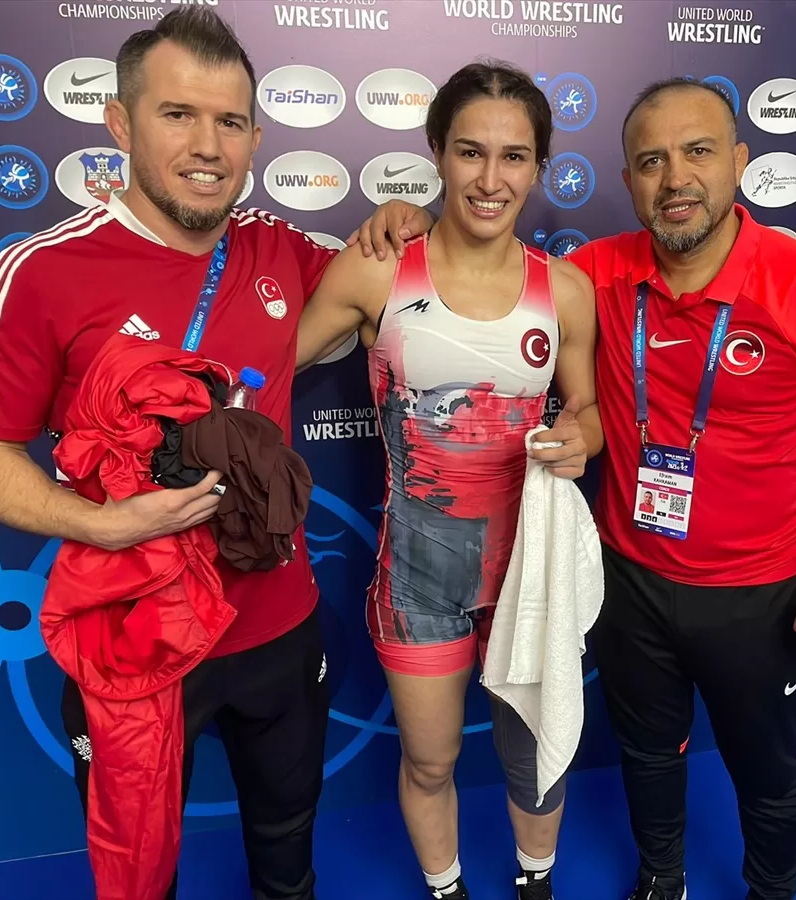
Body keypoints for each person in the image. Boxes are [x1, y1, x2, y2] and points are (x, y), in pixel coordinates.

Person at [353, 76, 796, 900]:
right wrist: (412, 220)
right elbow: (483, 262)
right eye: (651, 161)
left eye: (697, 152)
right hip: (631, 579)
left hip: (756, 590)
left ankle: (770, 892)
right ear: (629, 180)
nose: (675, 178)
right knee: (647, 754)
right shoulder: (592, 275)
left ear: (740, 162)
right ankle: (660, 881)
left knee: (766, 768)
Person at [0, 9, 428, 899]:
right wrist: (105, 523)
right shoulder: (39, 272)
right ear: (120, 124)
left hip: (278, 626)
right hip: (135, 639)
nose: (208, 146)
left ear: (255, 139)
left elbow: (395, 276)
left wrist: (406, 217)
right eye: (178, 115)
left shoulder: (278, 247)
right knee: (140, 878)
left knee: (287, 853)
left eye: (230, 121)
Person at [294, 62, 601, 900]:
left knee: (534, 758)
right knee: (430, 761)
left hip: (527, 576)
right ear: (437, 152)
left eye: (514, 156)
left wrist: (582, 436)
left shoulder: (565, 291)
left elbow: (590, 411)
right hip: (417, 579)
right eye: (470, 152)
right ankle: (447, 888)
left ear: (539, 167)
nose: (490, 179)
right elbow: (265, 363)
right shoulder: (376, 272)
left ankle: (535, 882)